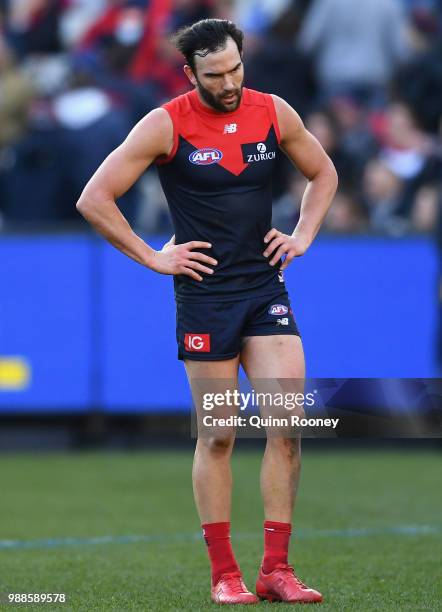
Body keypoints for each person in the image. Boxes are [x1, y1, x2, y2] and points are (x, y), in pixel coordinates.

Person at [76, 18, 337, 605]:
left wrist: (302, 235)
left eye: (236, 68)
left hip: (265, 291)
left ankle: (277, 569)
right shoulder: (165, 123)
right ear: (189, 73)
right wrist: (152, 257)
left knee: (287, 428)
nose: (229, 83)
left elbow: (324, 173)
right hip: (205, 300)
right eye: (215, 75)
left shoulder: (274, 112)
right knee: (218, 435)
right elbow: (95, 198)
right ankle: (225, 575)